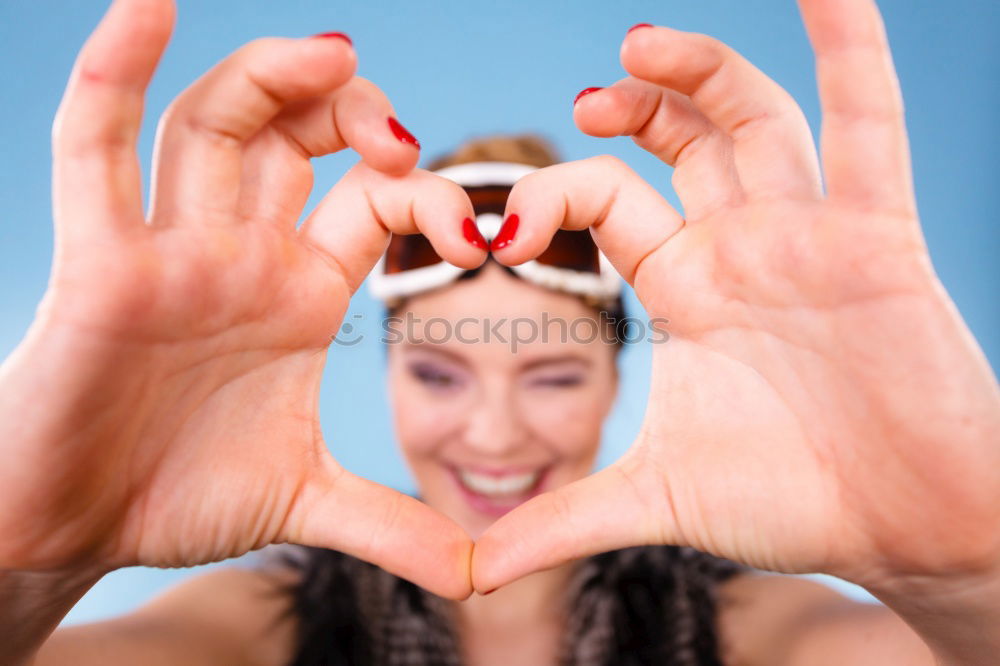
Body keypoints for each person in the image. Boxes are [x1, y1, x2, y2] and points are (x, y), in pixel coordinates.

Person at [2, 0, 997, 665]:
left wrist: (968, 574)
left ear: (618, 380)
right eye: (438, 374)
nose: (491, 436)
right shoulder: (250, 628)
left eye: (553, 377)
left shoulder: (749, 624)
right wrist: (26, 568)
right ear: (384, 372)